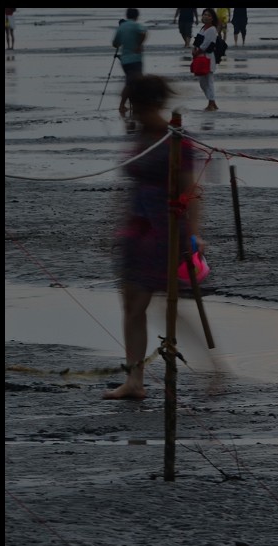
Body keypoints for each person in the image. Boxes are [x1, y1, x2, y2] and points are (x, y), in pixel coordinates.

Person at [103, 75, 203, 401]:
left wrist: (194, 236)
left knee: (160, 305)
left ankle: (213, 368)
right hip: (135, 228)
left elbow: (192, 191)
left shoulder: (176, 139)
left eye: (137, 106)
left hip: (163, 230)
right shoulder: (141, 136)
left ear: (152, 104)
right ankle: (134, 381)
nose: (133, 112)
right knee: (131, 306)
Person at [112, 8, 147, 119]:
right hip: (135, 59)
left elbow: (115, 43)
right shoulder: (136, 25)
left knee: (132, 82)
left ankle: (134, 105)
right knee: (132, 82)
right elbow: (143, 33)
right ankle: (123, 105)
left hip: (125, 60)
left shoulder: (121, 27)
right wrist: (138, 45)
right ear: (137, 16)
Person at [192, 9, 219, 111]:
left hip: (207, 57)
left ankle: (211, 103)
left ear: (212, 18)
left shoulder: (212, 29)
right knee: (202, 82)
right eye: (204, 15)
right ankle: (212, 102)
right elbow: (197, 41)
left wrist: (198, 50)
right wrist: (194, 49)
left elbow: (207, 44)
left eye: (208, 15)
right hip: (200, 57)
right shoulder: (203, 28)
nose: (206, 16)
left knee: (209, 81)